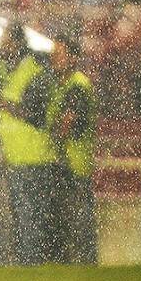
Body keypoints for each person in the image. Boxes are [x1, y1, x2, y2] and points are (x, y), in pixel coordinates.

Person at [0, 21, 65, 264]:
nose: (1, 46)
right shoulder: (8, 73)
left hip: (35, 161)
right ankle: (28, 268)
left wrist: (0, 102)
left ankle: (33, 269)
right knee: (23, 221)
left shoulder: (35, 74)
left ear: (17, 44)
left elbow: (34, 115)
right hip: (16, 160)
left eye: (5, 41)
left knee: (32, 221)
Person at [47, 35, 98, 264]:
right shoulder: (64, 84)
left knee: (79, 222)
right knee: (71, 222)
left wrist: (49, 135)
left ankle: (86, 266)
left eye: (60, 54)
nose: (54, 58)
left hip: (74, 165)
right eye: (54, 53)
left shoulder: (76, 85)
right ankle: (77, 266)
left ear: (74, 58)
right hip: (68, 164)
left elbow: (65, 124)